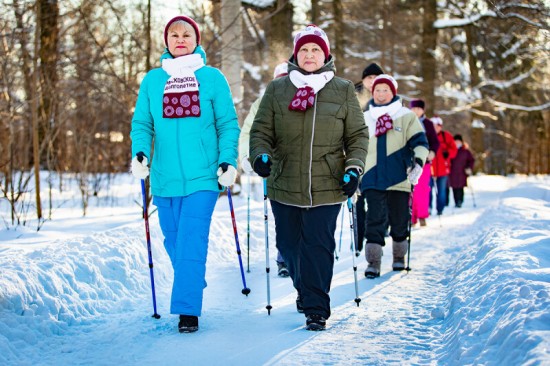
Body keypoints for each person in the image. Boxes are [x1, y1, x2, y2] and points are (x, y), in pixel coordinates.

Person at [249, 24, 368, 331]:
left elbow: (357, 135)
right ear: (295, 54)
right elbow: (261, 130)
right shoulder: (278, 89)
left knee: (318, 245)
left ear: (325, 54)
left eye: (316, 49)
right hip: (284, 180)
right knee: (289, 245)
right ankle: (305, 289)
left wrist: (353, 167)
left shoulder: (341, 89)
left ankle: (316, 307)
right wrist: (261, 154)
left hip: (328, 184)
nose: (309, 54)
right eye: (304, 49)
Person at [130, 16, 240, 333]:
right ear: (166, 41)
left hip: (204, 178)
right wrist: (141, 152)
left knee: (191, 240)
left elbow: (227, 125)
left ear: (196, 39)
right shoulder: (152, 81)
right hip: (164, 179)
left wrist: (227, 160)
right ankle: (192, 278)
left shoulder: (212, 78)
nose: (180, 38)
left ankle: (187, 312)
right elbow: (142, 124)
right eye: (174, 34)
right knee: (174, 240)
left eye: (187, 34)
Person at [360, 74, 429, 278]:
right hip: (372, 179)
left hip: (399, 178)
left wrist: (418, 163)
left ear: (393, 92)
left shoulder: (406, 116)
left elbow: (420, 143)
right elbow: (355, 147)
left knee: (399, 220)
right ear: (373, 93)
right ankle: (373, 262)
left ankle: (399, 257)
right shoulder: (365, 118)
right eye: (378, 90)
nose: (381, 94)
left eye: (386, 90)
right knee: (374, 220)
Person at [238, 62, 290, 278]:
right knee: (283, 217)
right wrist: (247, 157)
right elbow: (248, 132)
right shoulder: (262, 103)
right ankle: (284, 258)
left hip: (301, 167)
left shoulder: (307, 98)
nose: (283, 82)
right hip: (271, 168)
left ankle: (302, 258)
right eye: (279, 78)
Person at [355, 62, 385, 253]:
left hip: (380, 155)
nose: (372, 81)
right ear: (364, 79)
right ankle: (358, 239)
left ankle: (374, 237)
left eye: (376, 78)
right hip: (359, 152)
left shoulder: (386, 95)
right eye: (369, 78)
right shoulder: (353, 93)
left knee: (378, 200)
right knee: (358, 198)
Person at [409, 99, 440, 226]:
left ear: (423, 110)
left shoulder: (427, 123)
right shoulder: (407, 120)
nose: (416, 111)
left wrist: (432, 151)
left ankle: (422, 215)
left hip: (424, 161)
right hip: (409, 160)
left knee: (422, 189)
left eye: (418, 109)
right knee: (410, 190)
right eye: (414, 108)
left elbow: (435, 141)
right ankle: (411, 217)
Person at [430, 116, 457, 216]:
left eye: (437, 126)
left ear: (440, 126)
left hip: (443, 169)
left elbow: (454, 150)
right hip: (430, 169)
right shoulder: (427, 136)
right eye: (433, 126)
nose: (435, 128)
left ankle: (440, 209)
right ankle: (428, 208)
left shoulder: (446, 136)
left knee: (441, 191)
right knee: (428, 190)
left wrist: (448, 153)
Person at [449, 134, 475, 207]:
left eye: (458, 141)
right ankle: (456, 201)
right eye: (456, 141)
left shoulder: (465, 151)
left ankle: (460, 201)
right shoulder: (451, 150)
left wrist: (469, 167)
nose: (457, 143)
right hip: (453, 172)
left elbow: (471, 160)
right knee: (454, 188)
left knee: (460, 187)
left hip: (462, 172)